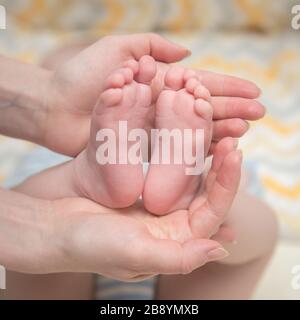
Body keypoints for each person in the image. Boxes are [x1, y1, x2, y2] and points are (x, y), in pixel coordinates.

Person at [0, 33, 277, 299]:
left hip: (79, 230)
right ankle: (199, 204)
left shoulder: (44, 156)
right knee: (246, 229)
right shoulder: (204, 150)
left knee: (33, 216)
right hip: (173, 231)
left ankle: (80, 185)